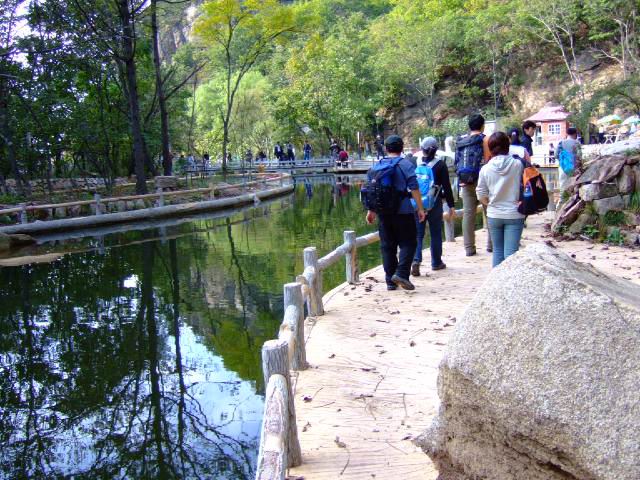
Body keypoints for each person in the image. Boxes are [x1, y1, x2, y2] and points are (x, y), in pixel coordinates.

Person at [366, 135, 426, 291]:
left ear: (386, 148)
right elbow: (414, 188)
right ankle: (401, 274)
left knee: (387, 246)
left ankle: (390, 282)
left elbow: (372, 190)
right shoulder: (406, 164)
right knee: (409, 243)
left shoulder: (377, 165)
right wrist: (420, 208)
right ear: (402, 147)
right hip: (403, 211)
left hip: (383, 212)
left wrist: (371, 210)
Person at [476, 132, 525, 268]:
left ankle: (495, 281)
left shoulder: (485, 169)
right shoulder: (518, 165)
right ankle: (509, 281)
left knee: (497, 252)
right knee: (511, 255)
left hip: (494, 214)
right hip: (514, 213)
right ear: (507, 146)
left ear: (490, 148)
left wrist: (490, 203)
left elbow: (480, 193)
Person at [411, 137, 456, 277]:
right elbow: (447, 187)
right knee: (436, 232)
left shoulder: (414, 162)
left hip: (417, 202)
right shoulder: (440, 165)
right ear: (436, 150)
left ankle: (416, 260)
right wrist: (451, 205)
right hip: (434, 203)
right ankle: (436, 262)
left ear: (422, 149)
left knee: (418, 234)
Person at [455, 113, 492, 257]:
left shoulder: (461, 141)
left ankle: (469, 248)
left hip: (465, 180)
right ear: (483, 126)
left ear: (469, 126)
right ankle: (491, 245)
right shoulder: (485, 139)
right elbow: (488, 160)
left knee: (468, 214)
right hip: (483, 180)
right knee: (489, 212)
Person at [556, 127, 582, 194]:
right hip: (574, 168)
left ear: (567, 134)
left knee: (563, 187)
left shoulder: (561, 143)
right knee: (573, 187)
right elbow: (579, 156)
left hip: (563, 167)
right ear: (575, 134)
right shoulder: (577, 143)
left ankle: (562, 199)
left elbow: (556, 155)